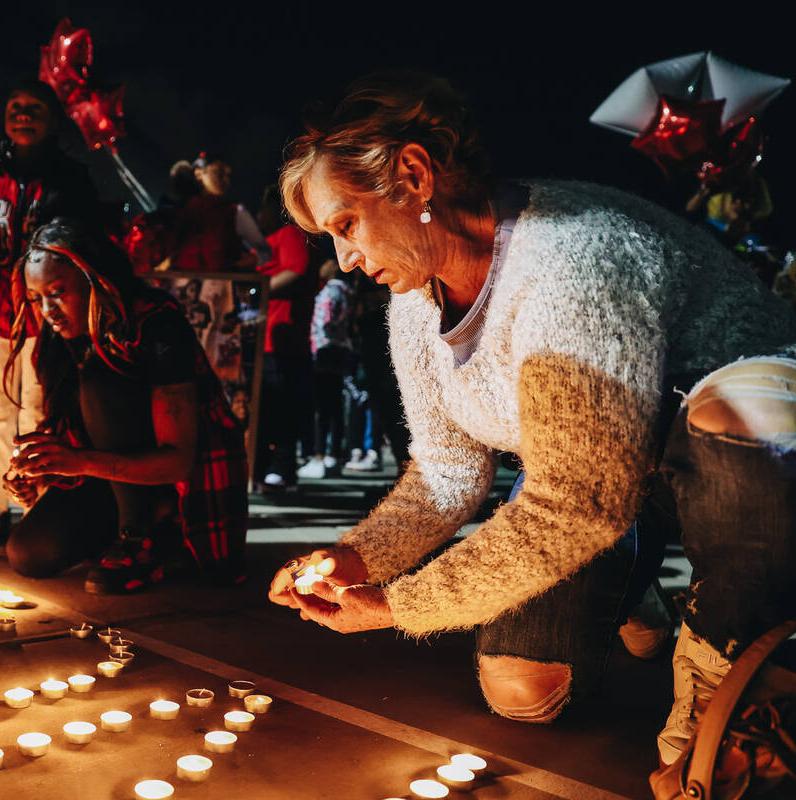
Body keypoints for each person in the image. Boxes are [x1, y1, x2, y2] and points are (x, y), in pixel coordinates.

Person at [268, 70, 796, 766]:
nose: (344, 259)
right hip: (608, 482)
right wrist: (357, 558)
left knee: (740, 412)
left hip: (745, 458)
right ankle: (626, 590)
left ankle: (734, 656)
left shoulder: (570, 257)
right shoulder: (413, 308)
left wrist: (399, 605)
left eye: (345, 224)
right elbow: (448, 476)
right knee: (524, 688)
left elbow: (576, 503)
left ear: (415, 175)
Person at [1, 219, 249, 593]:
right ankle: (138, 532)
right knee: (28, 553)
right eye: (36, 299)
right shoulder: (59, 343)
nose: (48, 310)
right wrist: (40, 472)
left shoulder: (154, 325)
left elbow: (179, 460)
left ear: (94, 278)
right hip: (109, 478)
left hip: (184, 482)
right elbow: (75, 436)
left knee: (101, 378)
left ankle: (146, 533)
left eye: (57, 291)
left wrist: (80, 461)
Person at [0, 81, 99, 554]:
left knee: (38, 410)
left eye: (33, 108)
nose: (22, 116)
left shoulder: (71, 179)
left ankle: (36, 513)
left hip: (47, 314)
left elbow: (85, 240)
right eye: (15, 107)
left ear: (52, 120)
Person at [254, 184, 319, 489]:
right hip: (271, 339)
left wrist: (259, 291)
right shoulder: (270, 240)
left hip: (283, 340)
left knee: (280, 404)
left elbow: (297, 268)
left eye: (262, 210)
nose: (257, 216)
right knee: (271, 405)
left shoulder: (291, 234)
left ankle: (281, 467)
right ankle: (271, 467)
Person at [299, 258, 356, 480]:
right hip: (340, 349)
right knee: (335, 406)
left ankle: (321, 455)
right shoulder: (347, 291)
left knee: (323, 407)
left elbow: (325, 320)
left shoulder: (329, 293)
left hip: (325, 349)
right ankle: (334, 454)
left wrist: (316, 335)